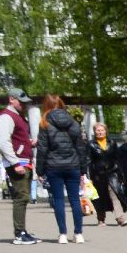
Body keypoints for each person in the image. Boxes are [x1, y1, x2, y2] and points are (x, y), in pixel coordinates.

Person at [36, 95, 89, 244]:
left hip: (53, 166)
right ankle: (78, 234)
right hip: (73, 165)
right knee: (74, 200)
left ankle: (62, 234)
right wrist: (83, 169)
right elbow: (80, 147)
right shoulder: (73, 122)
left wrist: (39, 170)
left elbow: (42, 148)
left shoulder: (45, 123)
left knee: (58, 200)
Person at [0, 88, 41, 244]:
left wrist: (29, 143)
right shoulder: (6, 117)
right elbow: (3, 142)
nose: (24, 105)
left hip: (23, 161)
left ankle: (22, 230)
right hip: (17, 163)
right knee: (21, 197)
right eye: (21, 102)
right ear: (11, 99)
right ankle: (19, 233)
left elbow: (17, 140)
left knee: (23, 197)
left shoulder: (18, 117)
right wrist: (15, 162)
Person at [86, 121, 127, 227]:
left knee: (115, 195)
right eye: (98, 130)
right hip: (98, 175)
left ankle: (120, 219)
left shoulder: (112, 143)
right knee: (100, 197)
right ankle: (101, 219)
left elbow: (117, 159)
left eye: (102, 130)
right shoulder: (91, 144)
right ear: (94, 132)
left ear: (106, 131)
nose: (100, 132)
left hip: (112, 173)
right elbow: (88, 160)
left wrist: (121, 175)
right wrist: (88, 176)